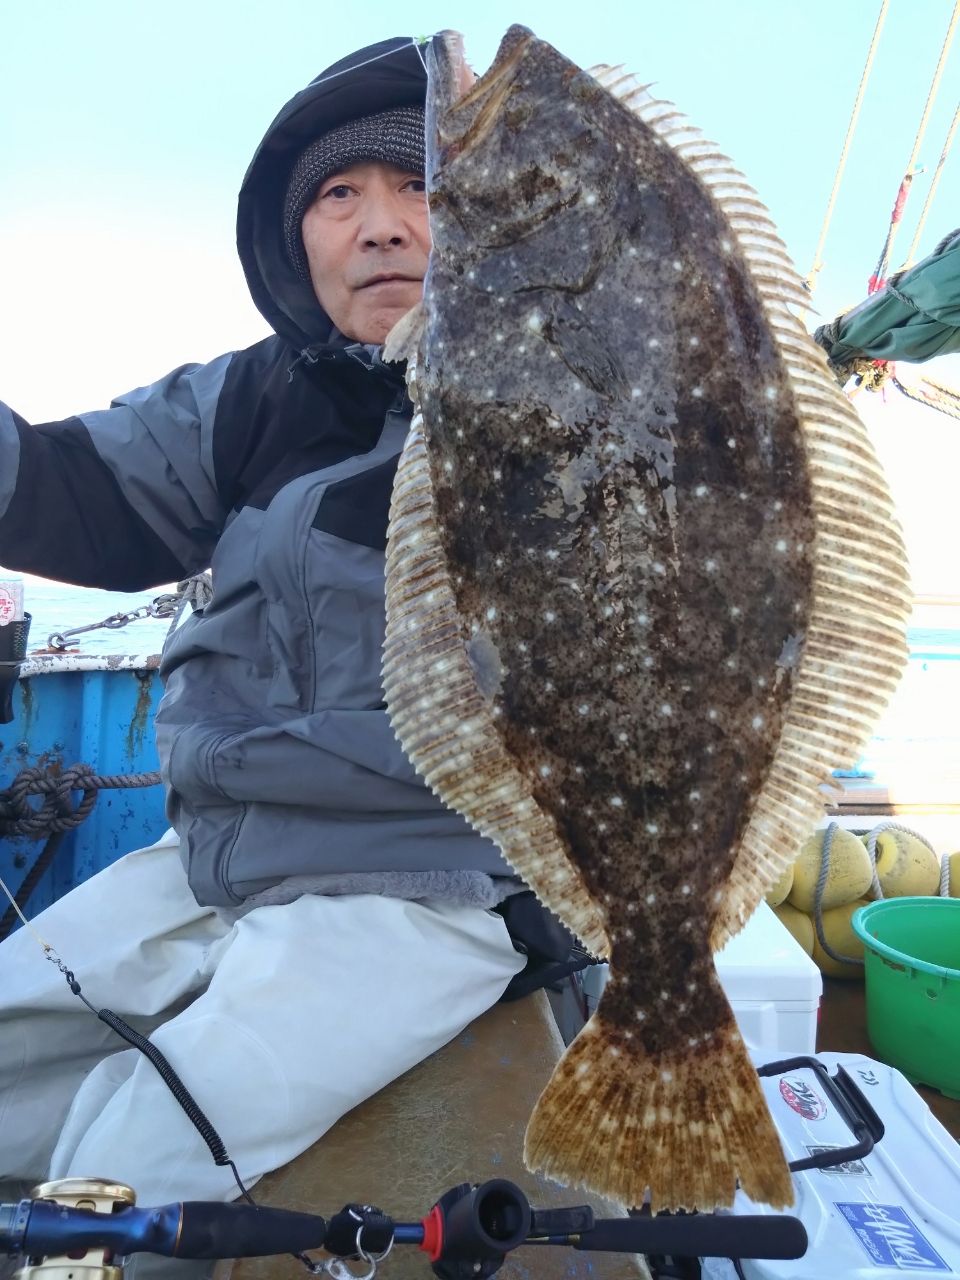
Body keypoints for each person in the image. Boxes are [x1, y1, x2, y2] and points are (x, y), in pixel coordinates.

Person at [0, 36, 587, 1248]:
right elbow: (67, 485)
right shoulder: (257, 396)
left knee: (120, 1169)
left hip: (433, 884)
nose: (380, 226)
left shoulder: (568, 399)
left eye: (423, 186)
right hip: (213, 856)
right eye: (340, 195)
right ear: (298, 239)